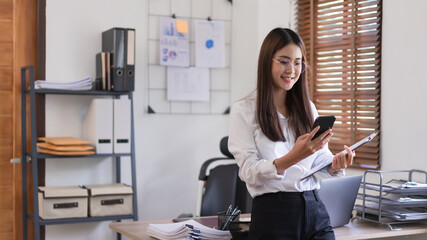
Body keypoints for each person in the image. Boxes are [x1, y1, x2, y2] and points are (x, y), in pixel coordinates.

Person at [228, 28, 355, 240]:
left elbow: (319, 158)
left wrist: (335, 165)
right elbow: (248, 171)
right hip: (274, 214)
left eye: (298, 62)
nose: (292, 70)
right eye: (284, 61)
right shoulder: (244, 110)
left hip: (314, 209)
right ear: (267, 62)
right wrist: (293, 157)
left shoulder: (308, 108)